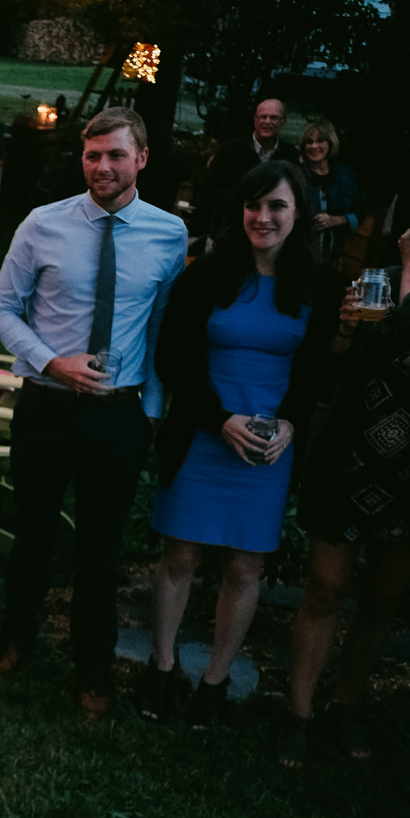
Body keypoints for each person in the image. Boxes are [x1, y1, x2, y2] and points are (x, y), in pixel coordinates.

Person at [0, 108, 188, 720]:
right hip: (47, 407)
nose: (102, 167)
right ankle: (17, 635)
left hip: (118, 417)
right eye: (93, 155)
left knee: (101, 551)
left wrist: (147, 411)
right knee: (35, 534)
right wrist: (51, 363)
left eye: (115, 155)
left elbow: (160, 330)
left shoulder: (168, 234)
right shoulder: (42, 225)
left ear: (141, 158)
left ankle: (93, 666)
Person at [138, 161, 343, 726]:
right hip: (205, 434)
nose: (263, 217)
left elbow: (314, 373)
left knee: (244, 569)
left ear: (298, 213)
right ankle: (160, 667)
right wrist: (218, 418)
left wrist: (292, 424)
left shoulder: (319, 284)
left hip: (267, 447)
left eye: (277, 206)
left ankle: (215, 680)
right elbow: (173, 357)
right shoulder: (205, 275)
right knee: (179, 556)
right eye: (254, 205)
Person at [276, 191, 410, 766]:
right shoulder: (378, 281)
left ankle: (346, 707)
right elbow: (332, 370)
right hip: (352, 458)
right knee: (324, 588)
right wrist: (345, 331)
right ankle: (298, 712)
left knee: (382, 598)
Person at [200, 98, 297, 236]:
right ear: (255, 121)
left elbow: (295, 197)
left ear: (282, 122)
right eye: (263, 117)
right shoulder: (230, 150)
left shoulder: (290, 155)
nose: (267, 121)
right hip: (230, 234)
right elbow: (207, 193)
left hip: (272, 236)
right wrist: (243, 198)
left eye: (274, 118)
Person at [298, 119, 366, 269]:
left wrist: (337, 220)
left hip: (333, 256)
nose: (314, 146)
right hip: (300, 255)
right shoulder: (296, 175)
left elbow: (360, 212)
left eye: (320, 141)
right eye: (309, 142)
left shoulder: (346, 175)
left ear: (330, 143)